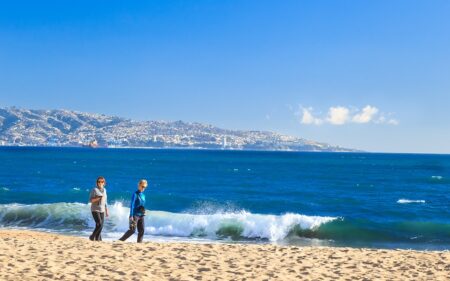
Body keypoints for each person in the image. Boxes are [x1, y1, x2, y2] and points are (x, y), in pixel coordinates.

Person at [89, 176, 108, 241]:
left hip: (102, 210)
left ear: (104, 183)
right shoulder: (94, 190)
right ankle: (92, 236)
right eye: (99, 182)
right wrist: (98, 198)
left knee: (101, 226)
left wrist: (106, 210)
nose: (100, 183)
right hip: (95, 209)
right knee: (99, 223)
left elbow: (105, 201)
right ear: (97, 183)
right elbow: (90, 200)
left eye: (102, 182)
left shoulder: (105, 190)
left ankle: (98, 238)